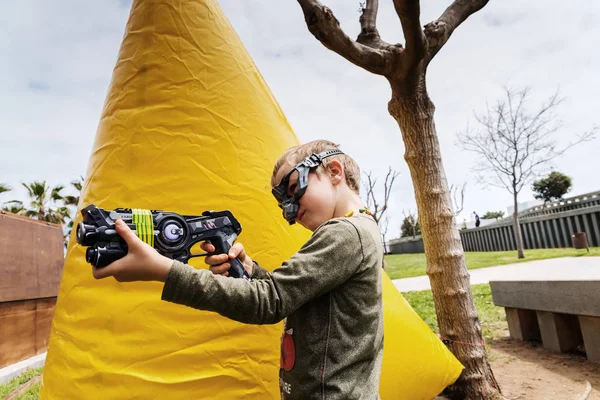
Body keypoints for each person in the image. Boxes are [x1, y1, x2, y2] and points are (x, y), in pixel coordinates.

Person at [92, 140, 385, 399]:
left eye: (294, 189)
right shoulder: (362, 228)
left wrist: (164, 270)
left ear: (334, 172)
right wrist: (251, 272)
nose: (290, 211)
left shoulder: (345, 233)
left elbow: (269, 302)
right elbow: (290, 295)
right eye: (284, 203)